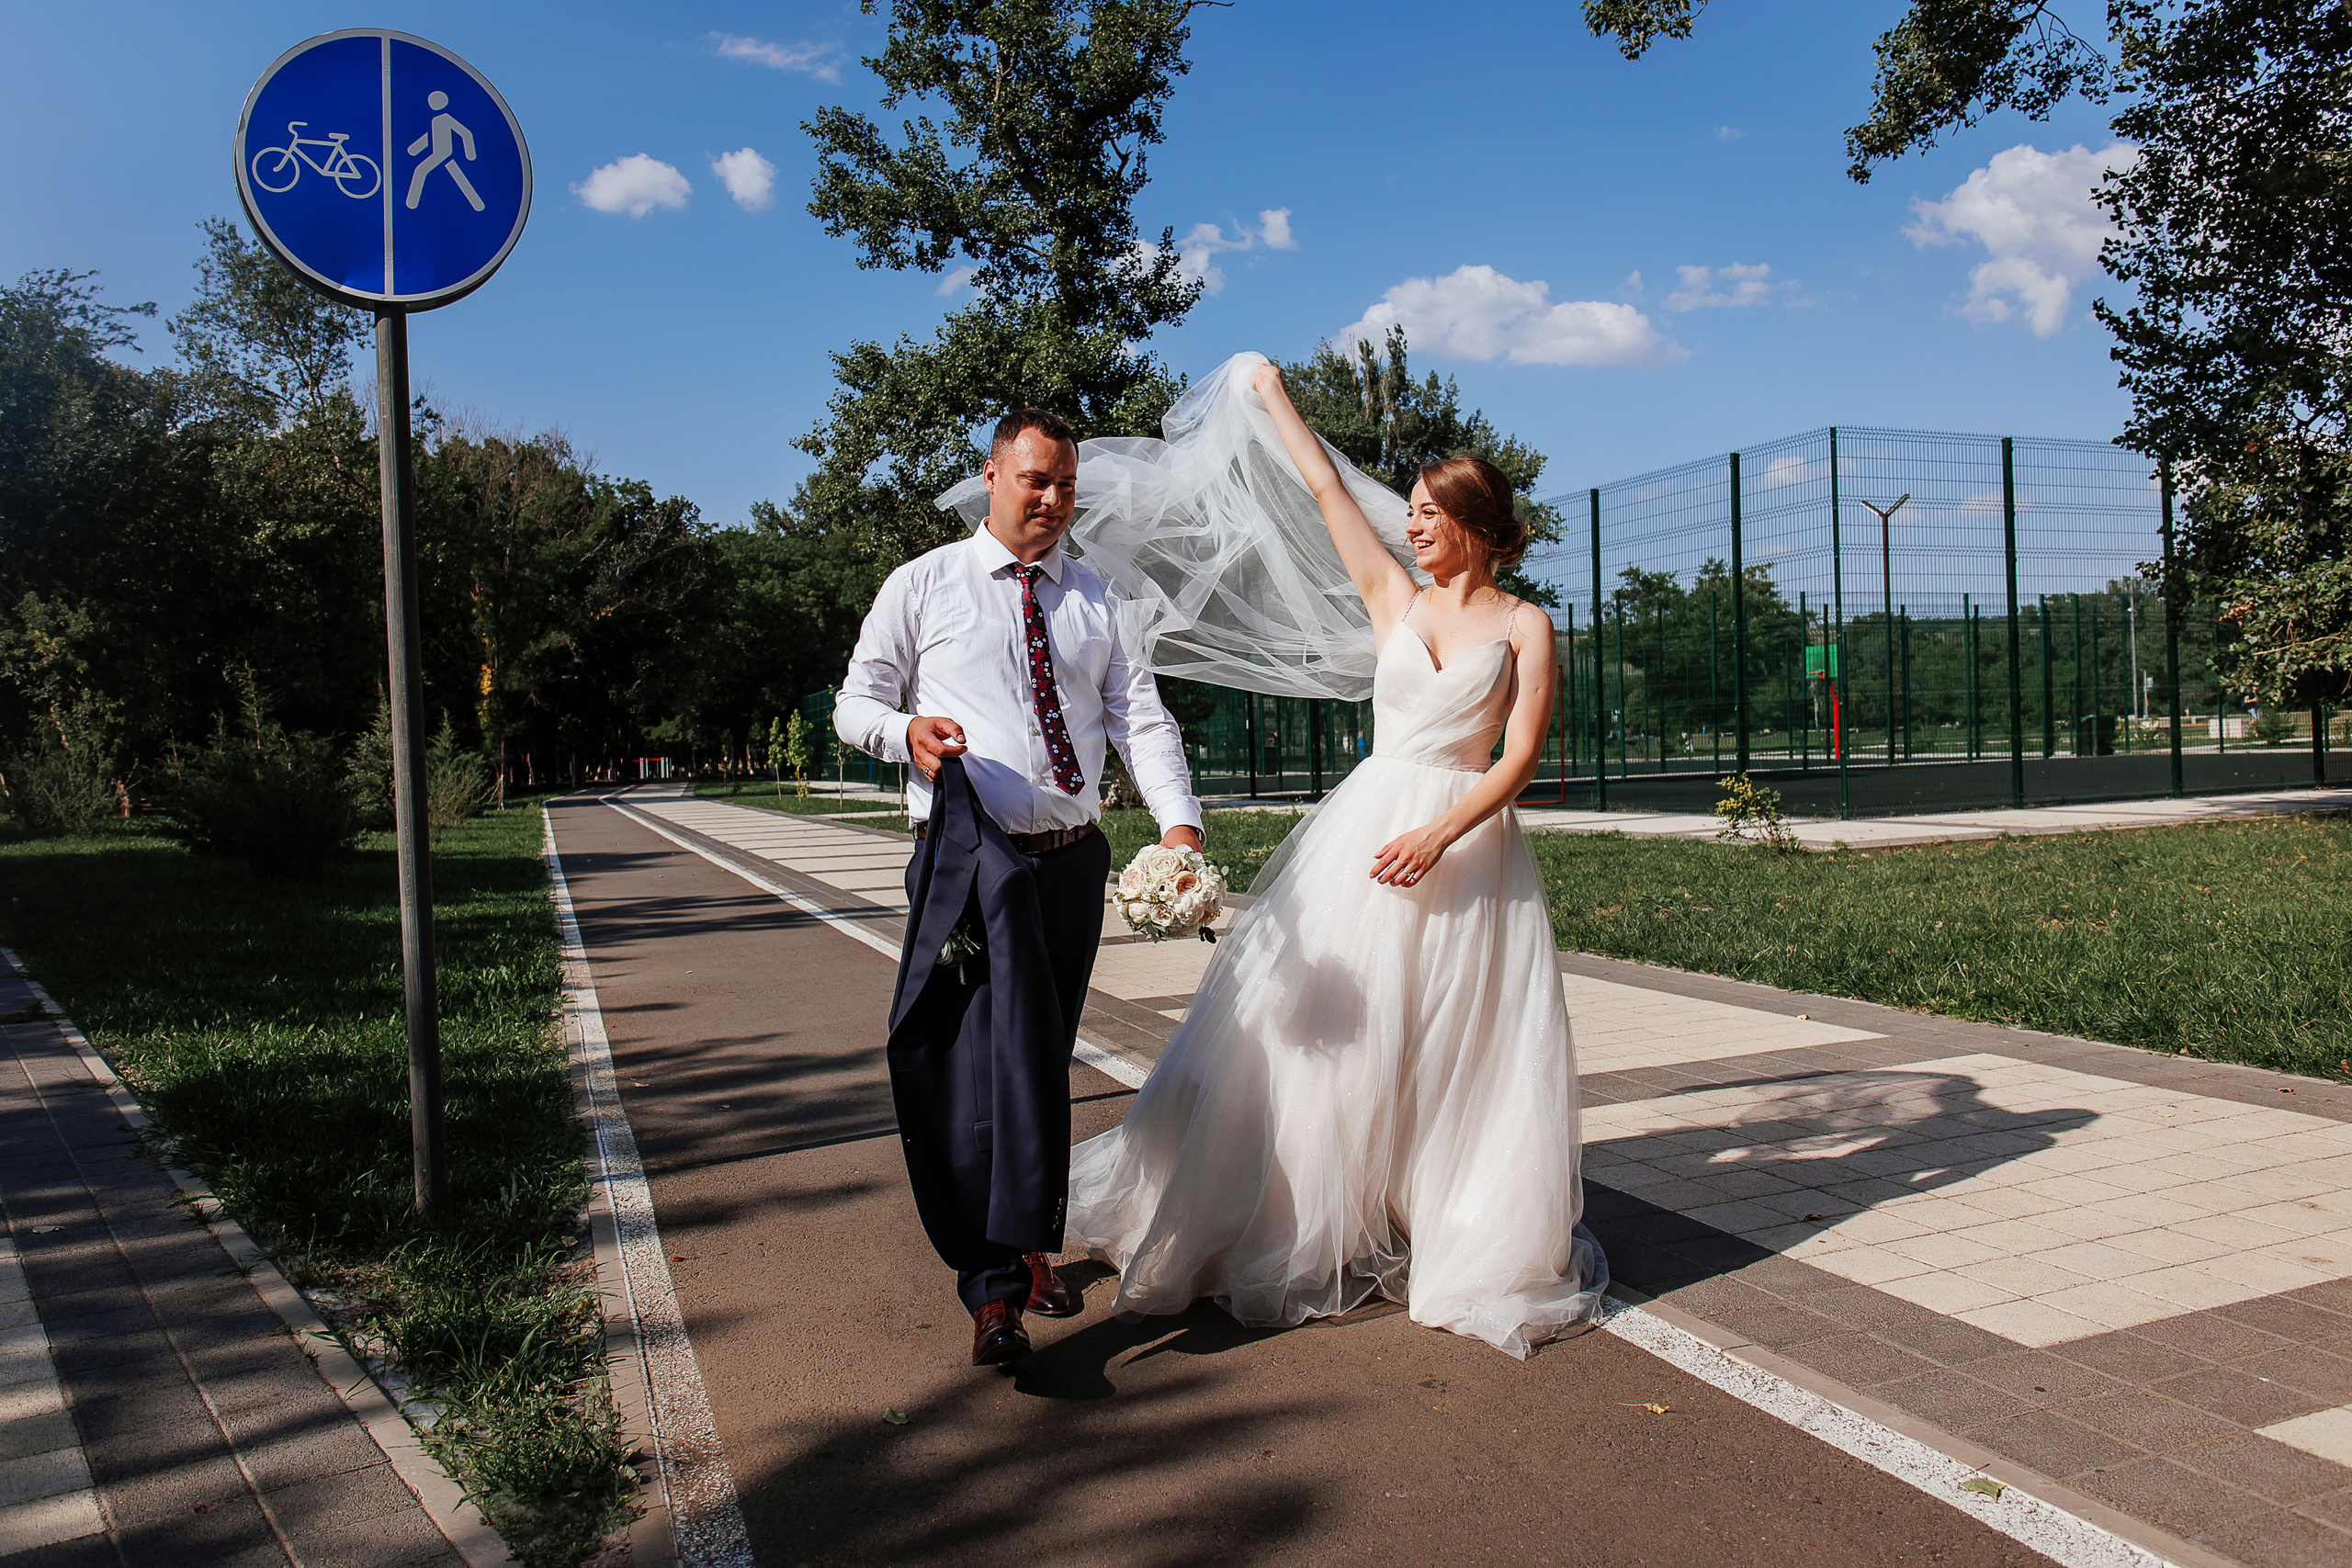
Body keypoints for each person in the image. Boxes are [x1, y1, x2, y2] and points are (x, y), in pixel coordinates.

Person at [1064, 361, 1608, 1359]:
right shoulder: (1391, 600)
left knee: (1458, 1040)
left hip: (1468, 843)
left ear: (1478, 524)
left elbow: (1520, 755)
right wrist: (1271, 398)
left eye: (1430, 513)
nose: (1412, 526)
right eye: (1408, 511)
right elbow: (1321, 488)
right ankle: (1288, 1218)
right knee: (1317, 1030)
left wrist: (1444, 832)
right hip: (1364, 833)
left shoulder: (1525, 624)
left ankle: (1447, 1222)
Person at [835, 408, 1205, 1368]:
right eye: (1035, 479)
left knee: (1037, 1062)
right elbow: (855, 702)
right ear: (992, 475)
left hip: (1070, 862)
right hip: (968, 859)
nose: (1051, 499)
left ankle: (1027, 1245)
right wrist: (902, 736)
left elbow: (1142, 722)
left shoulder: (1098, 598)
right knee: (973, 1070)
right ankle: (994, 1289)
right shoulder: (923, 585)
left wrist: (1178, 827)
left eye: (1065, 485)